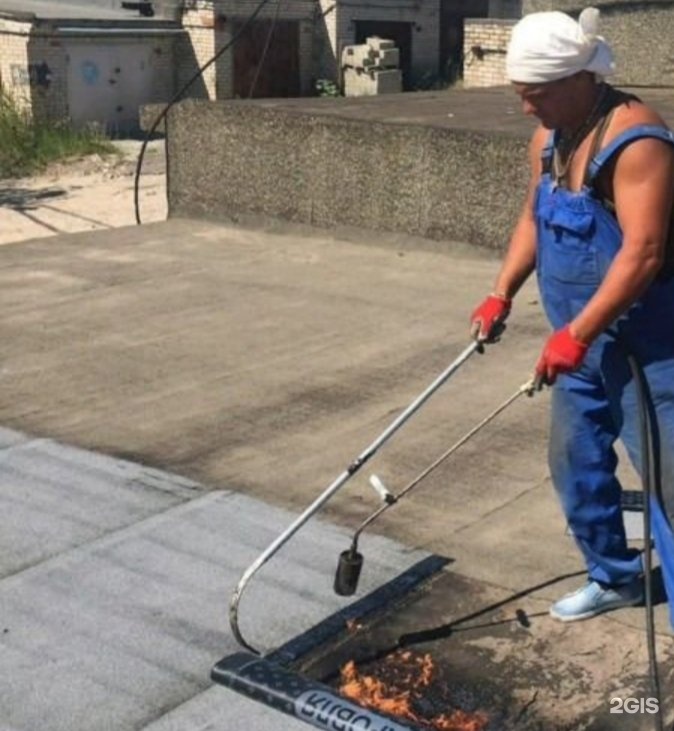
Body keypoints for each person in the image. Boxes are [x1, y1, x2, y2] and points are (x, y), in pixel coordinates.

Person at [470, 7, 674, 623]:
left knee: (668, 487)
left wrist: (578, 334)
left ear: (580, 78)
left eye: (536, 94)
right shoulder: (549, 140)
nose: (525, 107)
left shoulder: (637, 142)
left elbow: (643, 253)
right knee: (576, 465)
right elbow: (532, 221)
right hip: (579, 349)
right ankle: (615, 577)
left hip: (650, 352)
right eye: (520, 93)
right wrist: (501, 292)